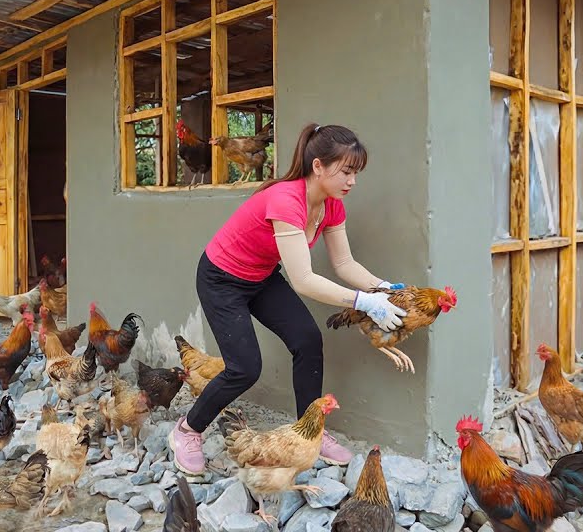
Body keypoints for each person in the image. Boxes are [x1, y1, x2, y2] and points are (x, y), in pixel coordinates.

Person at [168, 123, 409, 475]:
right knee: (245, 368)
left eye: (356, 173)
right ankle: (188, 430)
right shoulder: (286, 199)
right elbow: (304, 280)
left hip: (261, 276)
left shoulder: (331, 205)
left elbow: (344, 263)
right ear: (318, 167)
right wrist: (364, 302)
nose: (352, 181)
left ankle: (308, 432)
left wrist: (382, 289)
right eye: (346, 171)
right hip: (221, 278)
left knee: (307, 341)